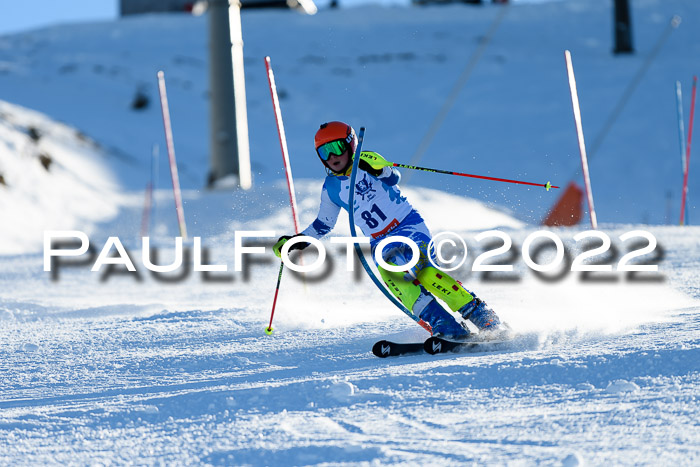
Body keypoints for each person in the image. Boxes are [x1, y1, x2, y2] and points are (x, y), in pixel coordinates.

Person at [273, 121, 503, 340]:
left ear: (350, 145)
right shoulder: (330, 188)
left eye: (336, 148)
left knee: (424, 273)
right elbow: (324, 224)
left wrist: (377, 169)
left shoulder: (366, 160)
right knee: (396, 280)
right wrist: (295, 242)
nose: (332, 157)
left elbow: (393, 177)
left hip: (407, 225)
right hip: (380, 241)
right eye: (325, 152)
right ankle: (446, 325)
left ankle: (483, 317)